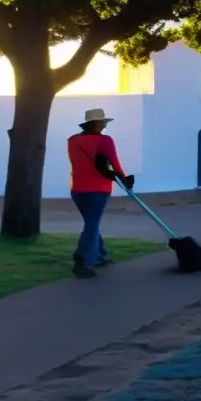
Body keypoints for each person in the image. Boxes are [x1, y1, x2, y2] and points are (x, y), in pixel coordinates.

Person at [67, 108, 134, 279]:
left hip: (78, 189)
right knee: (91, 225)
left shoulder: (73, 141)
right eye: (103, 122)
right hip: (98, 189)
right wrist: (124, 178)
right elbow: (114, 163)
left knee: (92, 223)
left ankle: (100, 255)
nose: (105, 125)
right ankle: (80, 260)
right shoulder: (105, 141)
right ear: (96, 123)